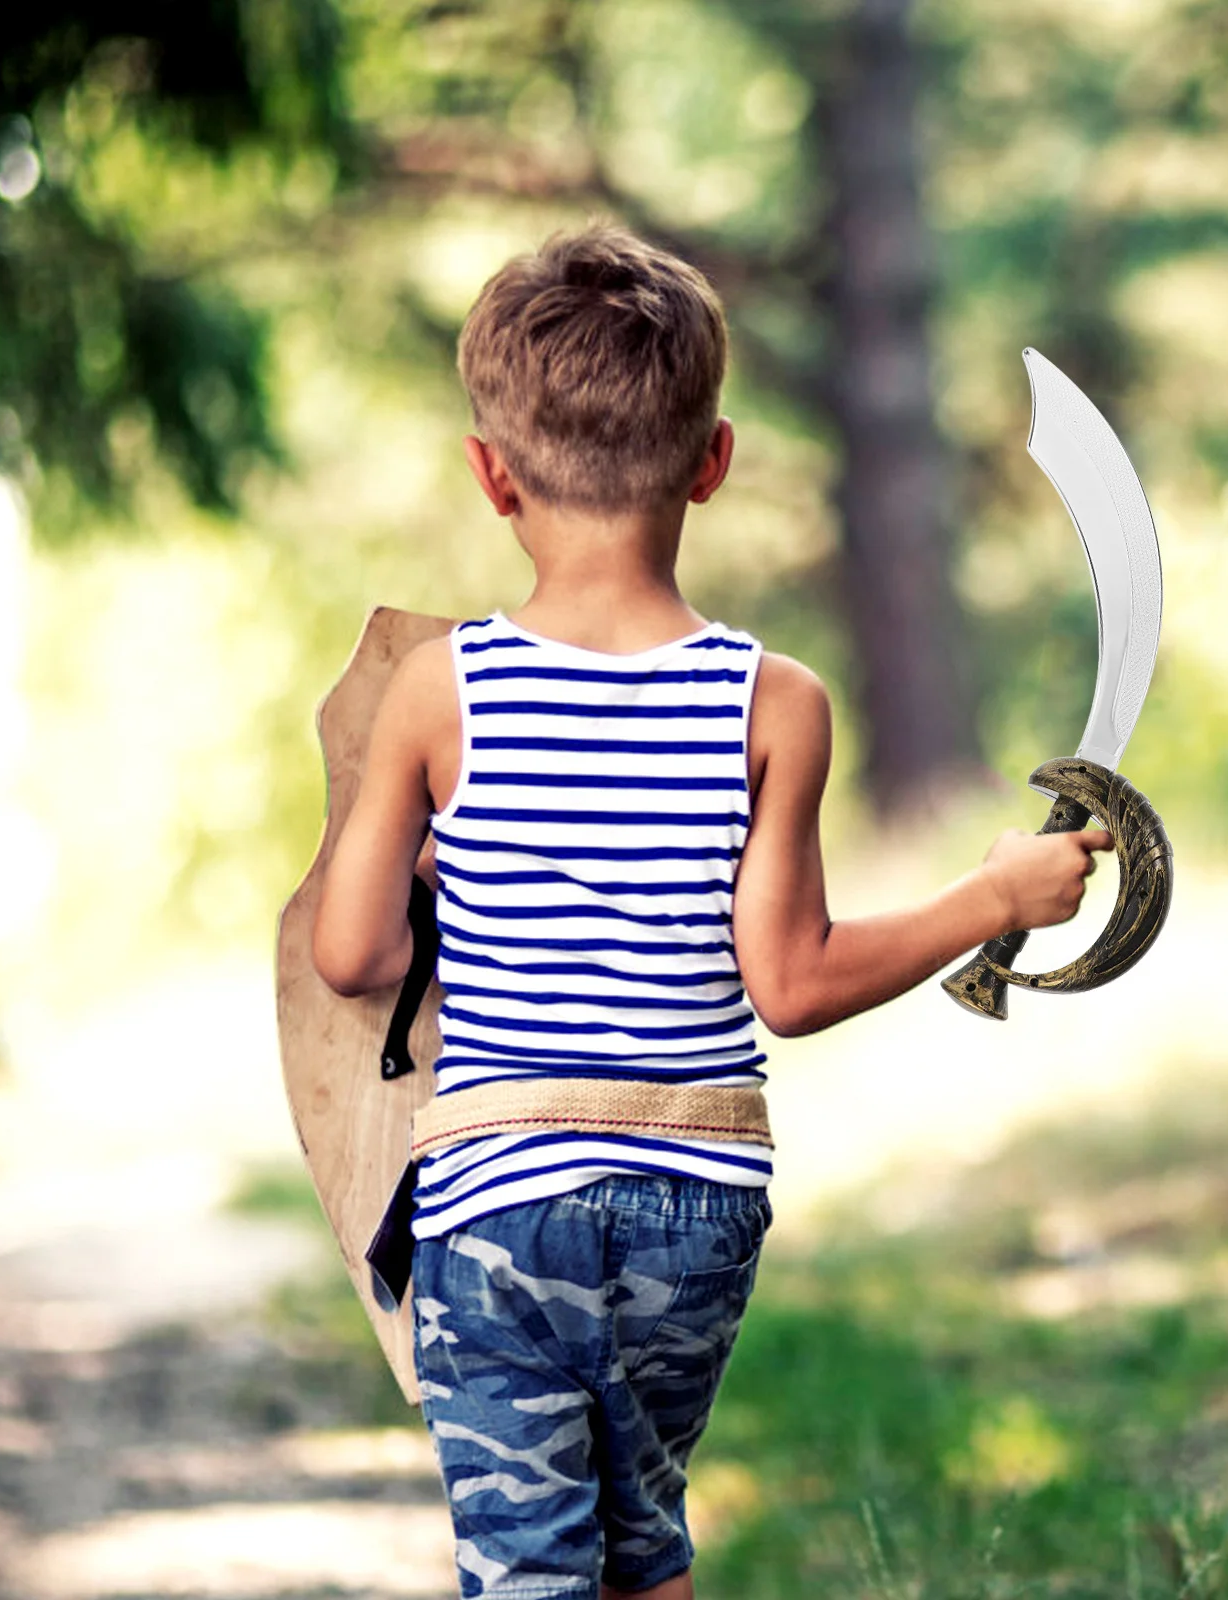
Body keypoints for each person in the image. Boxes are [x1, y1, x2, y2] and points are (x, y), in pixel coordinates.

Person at [311, 223, 1113, 1600]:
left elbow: (350, 956)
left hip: (500, 1205)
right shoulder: (772, 702)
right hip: (696, 1202)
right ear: (715, 460)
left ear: (490, 474)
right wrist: (991, 897)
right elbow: (791, 984)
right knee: (645, 1544)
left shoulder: (440, 689)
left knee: (529, 1567)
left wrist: (438, 880)